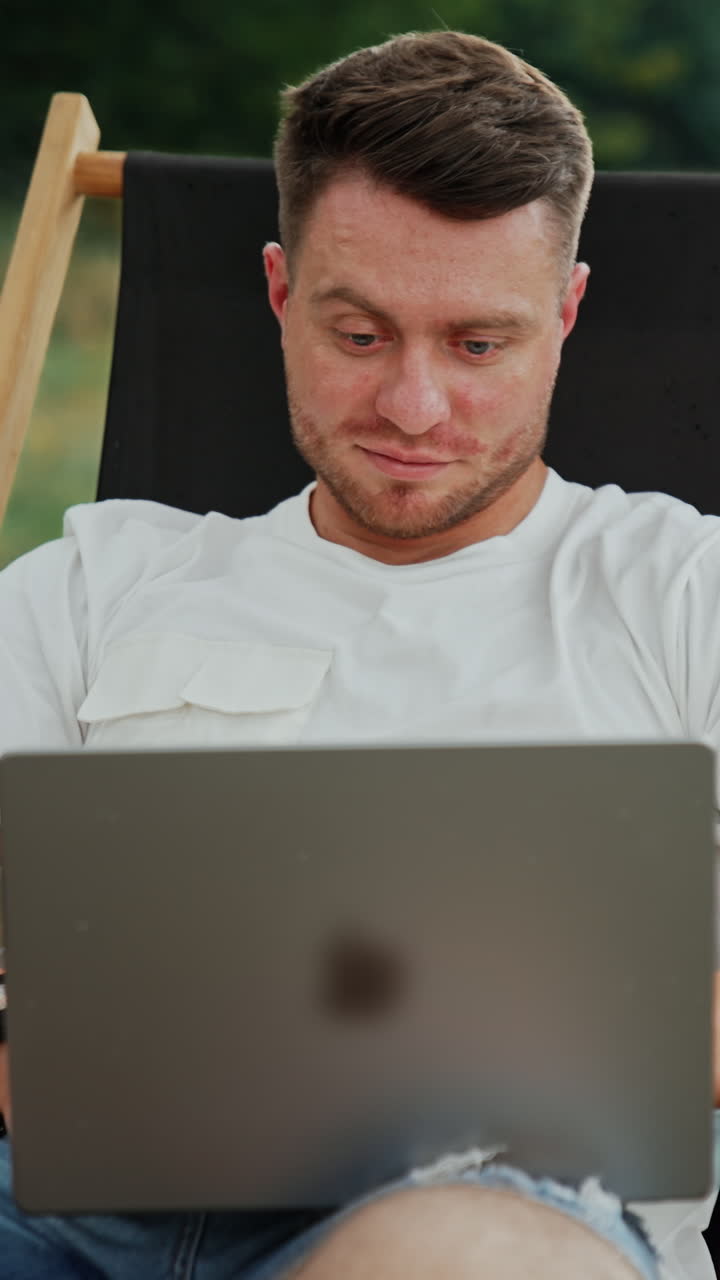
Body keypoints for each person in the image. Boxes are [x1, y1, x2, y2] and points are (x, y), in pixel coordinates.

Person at [0, 28, 718, 1280]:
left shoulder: (684, 590)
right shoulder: (91, 584)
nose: (414, 409)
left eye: (479, 345)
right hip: (64, 1206)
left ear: (567, 313)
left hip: (495, 1208)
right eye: (360, 333)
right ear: (279, 292)